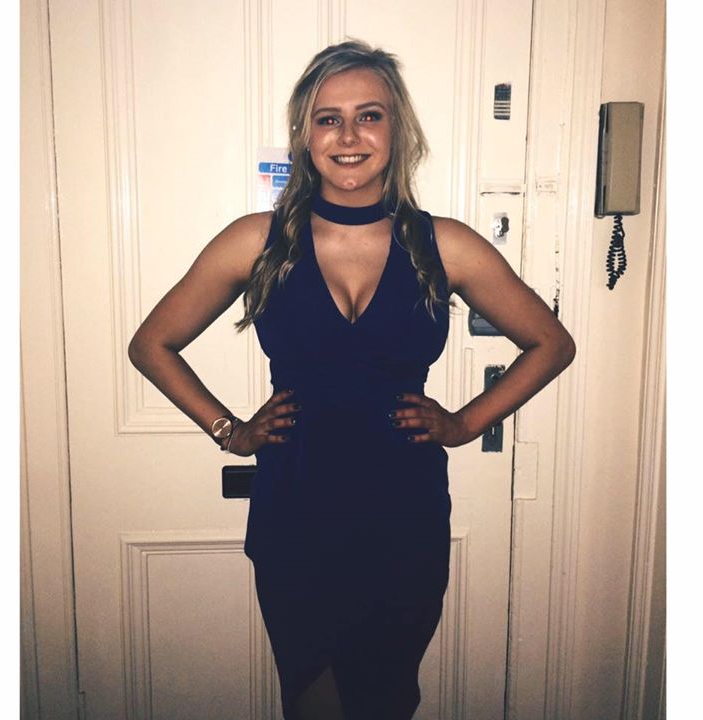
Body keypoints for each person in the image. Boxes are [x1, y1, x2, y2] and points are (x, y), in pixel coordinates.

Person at [128, 39, 575, 720]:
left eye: (369, 115)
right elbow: (151, 345)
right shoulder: (258, 241)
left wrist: (464, 423)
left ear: (397, 132)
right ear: (305, 136)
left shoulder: (444, 244)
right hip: (295, 512)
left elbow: (551, 343)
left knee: (386, 699)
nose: (347, 136)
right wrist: (231, 431)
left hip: (404, 515)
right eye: (328, 118)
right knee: (313, 702)